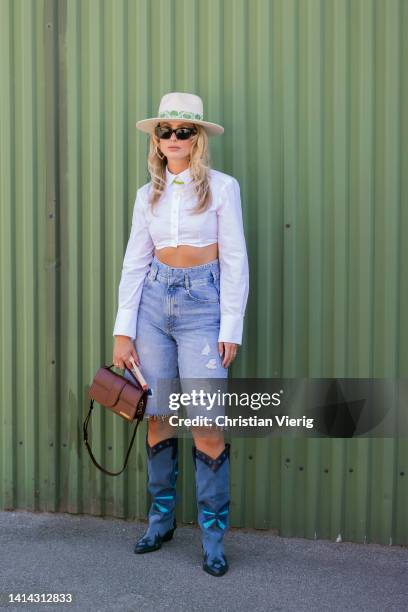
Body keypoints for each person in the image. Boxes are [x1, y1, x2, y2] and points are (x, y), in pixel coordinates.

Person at [112, 92, 249, 577]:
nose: (173, 139)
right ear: (156, 139)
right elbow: (134, 260)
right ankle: (161, 521)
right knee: (157, 415)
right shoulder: (146, 194)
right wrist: (122, 331)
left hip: (203, 306)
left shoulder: (222, 188)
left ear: (197, 139)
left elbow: (234, 259)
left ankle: (213, 538)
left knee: (208, 424)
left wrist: (230, 324)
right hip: (152, 304)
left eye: (183, 131)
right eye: (165, 131)